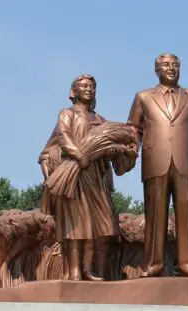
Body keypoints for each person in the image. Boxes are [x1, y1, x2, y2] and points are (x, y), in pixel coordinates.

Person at [127, 52, 188, 278]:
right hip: (155, 161)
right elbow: (133, 128)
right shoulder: (143, 97)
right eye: (166, 65)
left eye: (175, 65)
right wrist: (132, 148)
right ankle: (153, 263)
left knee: (187, 215)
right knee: (155, 215)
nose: (171, 68)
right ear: (157, 70)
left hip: (186, 161)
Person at [49, 74, 119, 281]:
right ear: (74, 92)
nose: (89, 89)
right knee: (77, 225)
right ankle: (74, 271)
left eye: (92, 86)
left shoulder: (101, 121)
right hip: (74, 176)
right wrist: (80, 156)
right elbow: (63, 136)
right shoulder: (67, 114)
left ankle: (89, 269)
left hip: (97, 179)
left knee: (97, 226)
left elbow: (108, 144)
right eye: (84, 86)